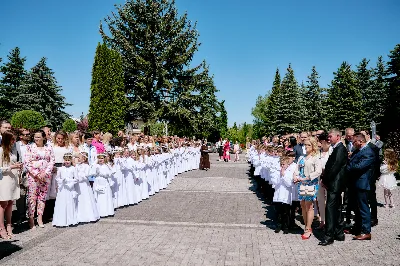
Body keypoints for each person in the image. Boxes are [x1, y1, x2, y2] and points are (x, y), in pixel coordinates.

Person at [319, 129, 348, 246]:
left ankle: (329, 236)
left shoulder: (340, 149)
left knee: (330, 210)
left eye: (330, 136)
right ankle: (339, 233)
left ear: (338, 136)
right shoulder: (337, 148)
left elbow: (334, 168)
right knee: (336, 208)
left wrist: (324, 179)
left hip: (335, 184)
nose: (328, 138)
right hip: (334, 183)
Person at [346, 133, 377, 240]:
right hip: (355, 183)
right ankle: (358, 227)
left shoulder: (368, 152)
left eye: (354, 141)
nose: (353, 144)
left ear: (360, 141)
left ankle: (366, 231)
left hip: (362, 183)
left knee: (363, 208)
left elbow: (359, 167)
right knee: (357, 207)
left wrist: (349, 167)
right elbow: (351, 161)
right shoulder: (358, 151)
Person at [24, 130, 55, 229]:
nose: (36, 139)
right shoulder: (29, 147)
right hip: (33, 177)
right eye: (35, 137)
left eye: (38, 137)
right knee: (32, 198)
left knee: (42, 197)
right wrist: (36, 173)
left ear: (43, 138)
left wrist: (45, 173)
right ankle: (31, 219)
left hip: (45, 176)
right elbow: (27, 162)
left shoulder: (49, 147)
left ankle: (40, 217)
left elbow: (51, 161)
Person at [294, 137, 322, 240]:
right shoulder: (302, 157)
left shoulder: (316, 157)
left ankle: (308, 228)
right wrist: (295, 176)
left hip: (311, 184)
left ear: (313, 146)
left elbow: (318, 171)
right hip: (301, 184)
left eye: (308, 145)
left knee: (309, 205)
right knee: (302, 205)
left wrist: (308, 177)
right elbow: (297, 169)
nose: (306, 147)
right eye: (305, 145)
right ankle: (306, 224)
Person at [0, 131, 22, 239]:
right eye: (12, 139)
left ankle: (9, 225)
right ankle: (1, 227)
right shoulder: (1, 151)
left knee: (10, 203)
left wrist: (17, 166)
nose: (14, 142)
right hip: (4, 180)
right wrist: (11, 167)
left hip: (13, 179)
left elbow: (11, 164)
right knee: (3, 204)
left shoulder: (12, 151)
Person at [52, 153, 78, 227]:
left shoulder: (73, 168)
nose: (67, 162)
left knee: (69, 202)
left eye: (68, 160)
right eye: (66, 160)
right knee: (62, 203)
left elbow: (76, 179)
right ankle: (61, 220)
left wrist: (70, 181)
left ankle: (70, 220)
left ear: (71, 161)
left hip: (69, 188)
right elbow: (57, 178)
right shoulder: (60, 169)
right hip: (62, 188)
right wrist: (62, 181)